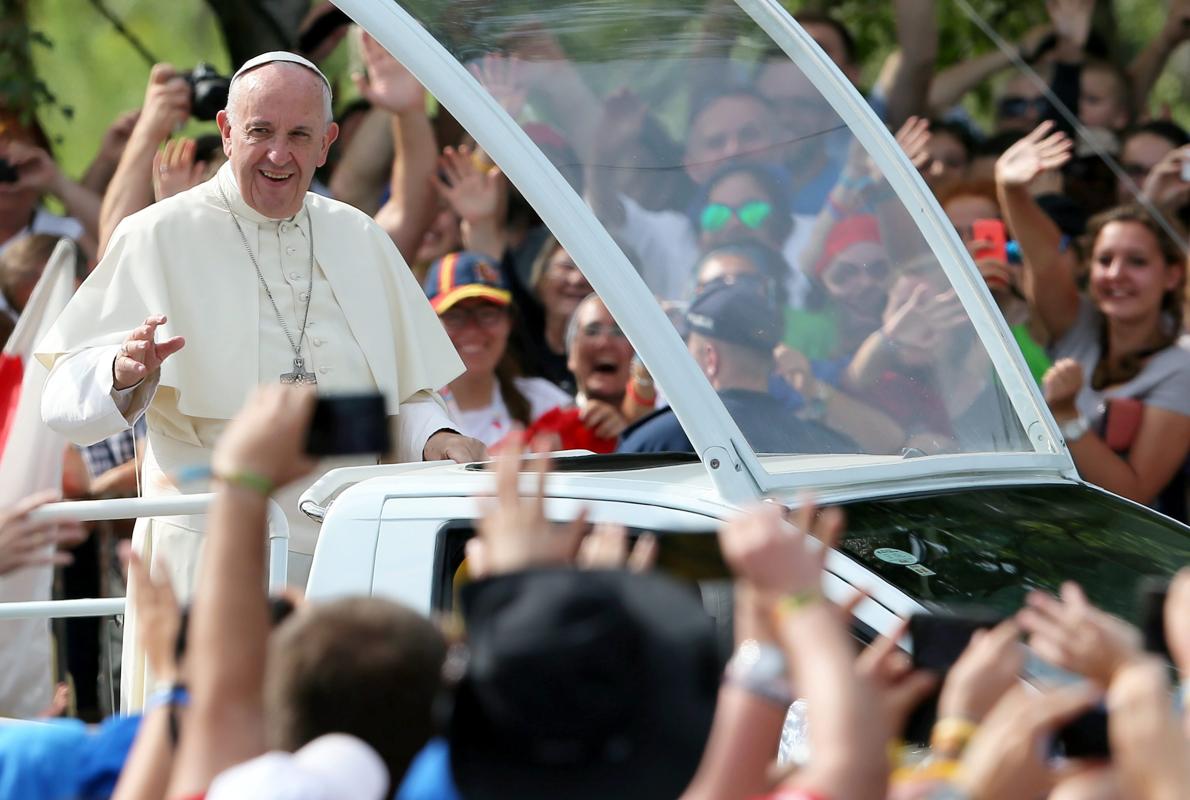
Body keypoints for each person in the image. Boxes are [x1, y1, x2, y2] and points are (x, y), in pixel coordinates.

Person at [35, 52, 483, 710]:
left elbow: (404, 393)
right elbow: (61, 401)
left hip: (352, 553)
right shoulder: (157, 235)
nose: (279, 154)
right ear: (224, 130)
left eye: (300, 135)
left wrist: (440, 438)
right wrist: (119, 371)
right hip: (213, 557)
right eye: (259, 131)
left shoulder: (359, 239)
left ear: (328, 143)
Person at [997, 123, 1190, 520]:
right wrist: (1011, 189)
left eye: (1136, 262)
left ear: (1172, 274)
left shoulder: (1180, 367)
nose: (1116, 274)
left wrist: (1068, 416)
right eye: (1105, 260)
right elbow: (1044, 258)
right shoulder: (1079, 322)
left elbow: (1136, 494)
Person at [618, 276, 854, 454]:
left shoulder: (657, 441)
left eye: (690, 349)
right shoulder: (823, 444)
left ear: (711, 359)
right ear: (772, 360)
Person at [424, 251, 571, 447]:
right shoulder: (417, 414)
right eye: (455, 316)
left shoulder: (545, 403)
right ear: (428, 325)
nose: (473, 329)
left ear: (509, 322)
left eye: (487, 314)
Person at [525, 293, 644, 453]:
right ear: (571, 354)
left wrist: (629, 435)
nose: (604, 342)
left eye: (619, 331)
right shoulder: (548, 429)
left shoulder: (672, 422)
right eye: (592, 331)